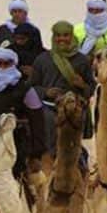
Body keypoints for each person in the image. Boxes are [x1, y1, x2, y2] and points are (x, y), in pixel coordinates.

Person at [29, 20, 96, 151]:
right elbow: (32, 87)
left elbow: (92, 89)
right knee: (47, 122)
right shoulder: (42, 59)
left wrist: (82, 85)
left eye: (66, 35)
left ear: (72, 36)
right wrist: (45, 92)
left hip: (75, 106)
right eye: (58, 35)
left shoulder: (82, 60)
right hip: (49, 107)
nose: (62, 39)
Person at [0, 45, 46, 178]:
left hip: (18, 142)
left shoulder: (26, 90)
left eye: (7, 63)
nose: (3, 66)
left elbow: (37, 120)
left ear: (13, 64)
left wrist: (36, 154)